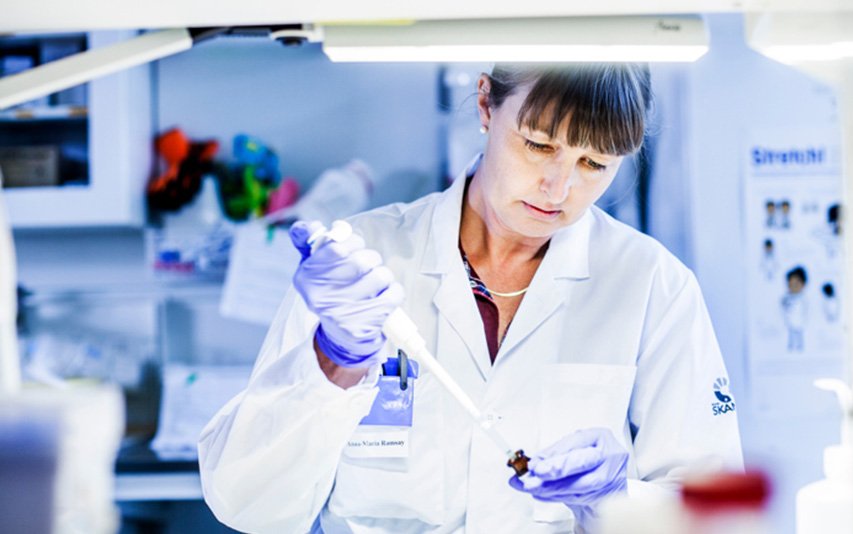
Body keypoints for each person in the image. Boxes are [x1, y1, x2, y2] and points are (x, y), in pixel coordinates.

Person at [198, 63, 743, 533]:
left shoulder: (653, 287)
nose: (558, 189)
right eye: (538, 145)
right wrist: (333, 361)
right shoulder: (363, 265)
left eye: (594, 165)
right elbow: (247, 504)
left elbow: (717, 513)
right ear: (486, 103)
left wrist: (617, 499)